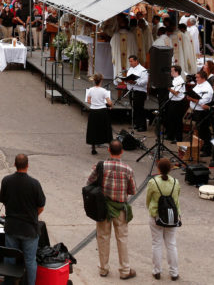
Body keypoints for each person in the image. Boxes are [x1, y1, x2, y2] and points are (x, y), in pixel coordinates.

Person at [87, 140, 137, 280]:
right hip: (120, 208)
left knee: (103, 237)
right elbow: (132, 190)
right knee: (122, 239)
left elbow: (89, 183)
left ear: (109, 150)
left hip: (103, 209)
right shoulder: (127, 169)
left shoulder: (100, 166)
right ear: (122, 152)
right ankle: (125, 270)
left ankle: (103, 269)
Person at [0, 153, 46, 285]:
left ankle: (8, 283)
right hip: (29, 229)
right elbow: (41, 206)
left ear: (14, 164)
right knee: (30, 261)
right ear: (28, 165)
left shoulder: (6, 180)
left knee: (10, 258)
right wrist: (31, 215)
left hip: (12, 227)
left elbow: (3, 200)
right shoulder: (34, 183)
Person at [145, 158, 180, 281]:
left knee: (157, 243)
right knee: (171, 244)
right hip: (172, 216)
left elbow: (148, 199)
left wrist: (151, 210)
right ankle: (174, 272)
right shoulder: (176, 182)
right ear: (170, 169)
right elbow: (176, 201)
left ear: (158, 169)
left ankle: (157, 271)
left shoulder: (153, 182)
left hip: (156, 215)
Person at [86, 73, 114, 155]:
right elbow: (109, 102)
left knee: (93, 129)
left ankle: (93, 148)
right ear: (101, 80)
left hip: (93, 111)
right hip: (102, 111)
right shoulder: (104, 91)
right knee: (106, 128)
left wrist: (94, 103)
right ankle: (110, 146)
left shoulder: (91, 90)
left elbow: (88, 100)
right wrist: (110, 105)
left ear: (94, 81)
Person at [125, 55, 149, 132]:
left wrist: (135, 82)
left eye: (131, 61)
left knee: (140, 108)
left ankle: (142, 126)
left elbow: (145, 81)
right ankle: (137, 124)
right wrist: (126, 80)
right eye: (129, 61)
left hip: (140, 91)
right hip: (131, 90)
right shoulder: (130, 69)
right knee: (134, 108)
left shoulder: (143, 70)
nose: (130, 63)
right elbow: (128, 78)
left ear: (136, 61)